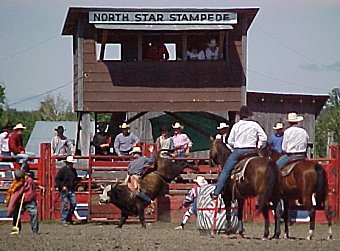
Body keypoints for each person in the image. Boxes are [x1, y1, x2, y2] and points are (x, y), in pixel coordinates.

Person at [211, 106, 267, 199]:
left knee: (225, 171)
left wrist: (235, 146)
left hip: (239, 151)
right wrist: (258, 146)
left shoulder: (236, 125)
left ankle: (216, 192)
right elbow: (264, 138)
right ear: (249, 115)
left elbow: (230, 141)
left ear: (240, 115)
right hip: (253, 151)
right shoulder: (255, 125)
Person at [6, 169, 39, 234]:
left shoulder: (29, 181)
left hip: (29, 200)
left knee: (34, 214)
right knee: (16, 214)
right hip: (19, 200)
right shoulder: (16, 184)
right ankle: (16, 227)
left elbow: (33, 189)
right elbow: (15, 193)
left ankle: (35, 229)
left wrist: (30, 195)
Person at [55, 155, 79, 227]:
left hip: (70, 189)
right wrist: (62, 186)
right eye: (71, 163)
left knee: (73, 203)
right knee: (65, 204)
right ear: (67, 163)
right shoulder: (62, 170)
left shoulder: (73, 171)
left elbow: (75, 179)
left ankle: (68, 218)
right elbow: (57, 179)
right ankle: (64, 219)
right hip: (64, 190)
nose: (72, 164)